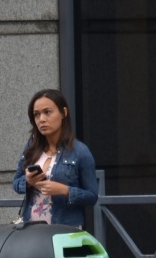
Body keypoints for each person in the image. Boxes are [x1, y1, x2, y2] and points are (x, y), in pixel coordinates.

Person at [11, 89, 98, 229]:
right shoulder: (31, 147)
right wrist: (27, 181)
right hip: (31, 230)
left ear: (63, 113)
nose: (42, 119)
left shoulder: (80, 152)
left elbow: (92, 196)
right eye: (36, 115)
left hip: (65, 230)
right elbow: (15, 183)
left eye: (47, 112)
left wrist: (64, 190)